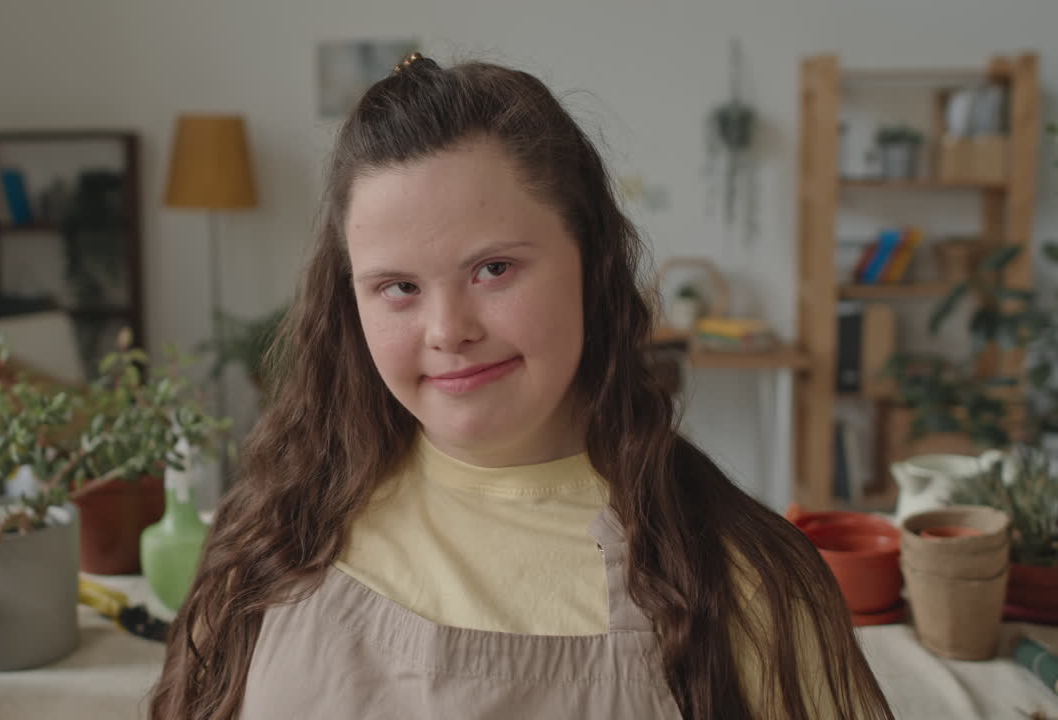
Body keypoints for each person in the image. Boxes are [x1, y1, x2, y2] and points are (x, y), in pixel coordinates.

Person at [150, 53, 893, 720]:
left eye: (494, 269)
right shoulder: (274, 527)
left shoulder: (744, 581)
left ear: (591, 264)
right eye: (399, 287)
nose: (448, 330)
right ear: (351, 302)